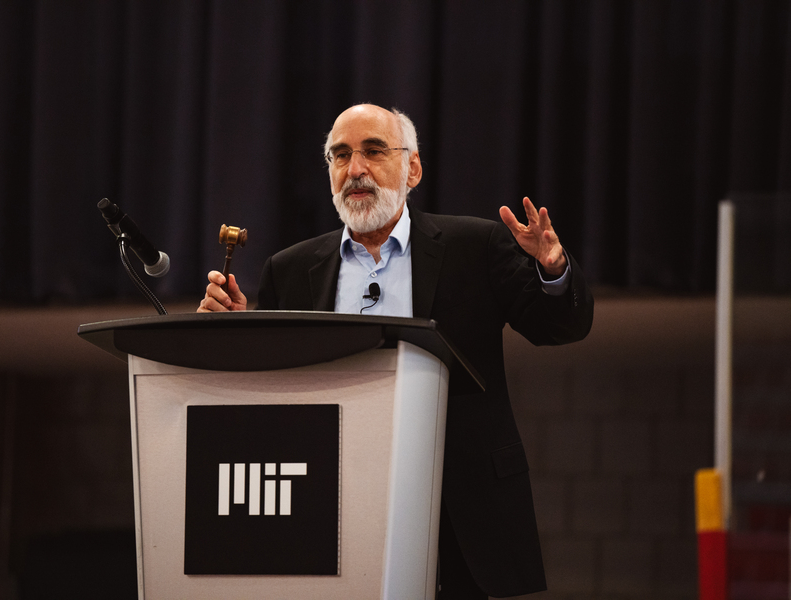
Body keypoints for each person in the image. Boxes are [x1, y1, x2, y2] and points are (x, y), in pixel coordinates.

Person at [198, 104, 593, 598]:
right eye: (340, 156)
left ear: (413, 168)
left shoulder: (473, 245)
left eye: (373, 151)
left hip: (459, 507)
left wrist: (553, 271)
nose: (355, 169)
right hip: (329, 508)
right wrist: (239, 338)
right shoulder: (291, 269)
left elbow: (558, 327)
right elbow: (276, 394)